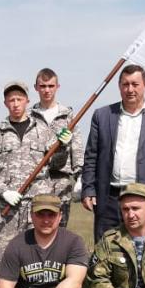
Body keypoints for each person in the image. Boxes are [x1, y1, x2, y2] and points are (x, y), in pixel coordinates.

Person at [0, 81, 75, 287]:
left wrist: (63, 148)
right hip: (8, 208)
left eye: (19, 99)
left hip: (37, 206)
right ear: (5, 103)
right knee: (2, 255)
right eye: (11, 100)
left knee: (38, 255)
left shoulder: (42, 129)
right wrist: (3, 191)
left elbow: (56, 165)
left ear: (27, 100)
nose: (15, 104)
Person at [82, 64, 145, 242]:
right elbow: (91, 156)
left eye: (135, 84)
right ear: (119, 86)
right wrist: (88, 188)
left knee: (144, 254)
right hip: (109, 199)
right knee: (106, 252)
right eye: (125, 84)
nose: (130, 89)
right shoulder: (102, 115)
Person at [30, 68, 83, 225]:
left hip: (61, 180)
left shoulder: (68, 116)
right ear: (36, 87)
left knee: (59, 226)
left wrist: (79, 176)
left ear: (57, 87)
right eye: (43, 86)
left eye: (51, 86)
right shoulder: (29, 116)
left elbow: (77, 147)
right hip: (37, 179)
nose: (47, 90)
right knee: (37, 226)